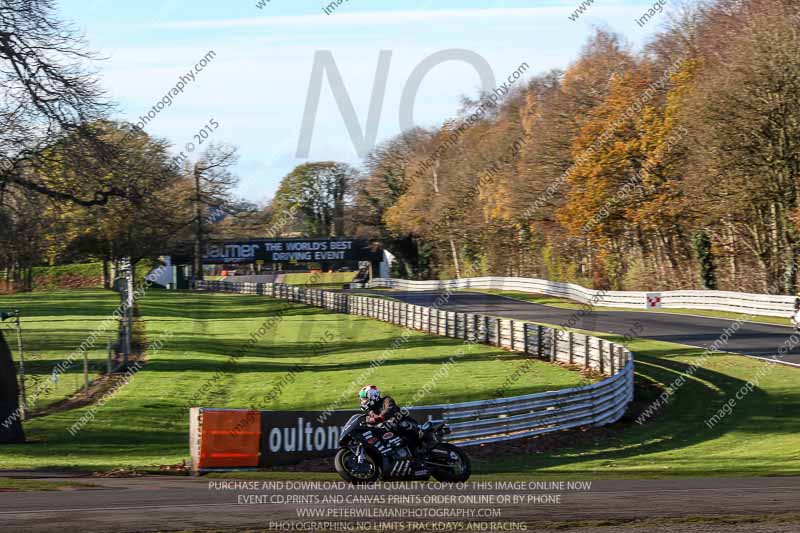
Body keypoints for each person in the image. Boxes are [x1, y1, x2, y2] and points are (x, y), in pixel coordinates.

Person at [359, 385, 421, 449]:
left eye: (364, 399)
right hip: (389, 437)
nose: (363, 401)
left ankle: (417, 447)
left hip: (406, 424)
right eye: (362, 399)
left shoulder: (387, 400)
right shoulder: (371, 412)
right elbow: (369, 422)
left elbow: (389, 409)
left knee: (402, 424)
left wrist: (380, 417)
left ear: (373, 396)